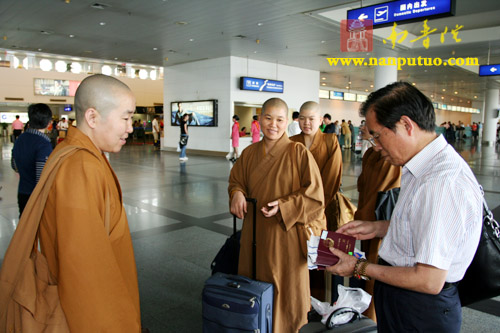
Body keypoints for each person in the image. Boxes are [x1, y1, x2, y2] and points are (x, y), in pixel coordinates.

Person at [326, 82, 482, 332]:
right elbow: (423, 223)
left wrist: (357, 266)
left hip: (420, 307)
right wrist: (379, 228)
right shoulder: (419, 165)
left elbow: (428, 280)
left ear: (407, 125)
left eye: (377, 135)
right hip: (404, 297)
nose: (375, 145)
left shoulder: (440, 183)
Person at [34, 74, 142, 331]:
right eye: (126, 118)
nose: (130, 127)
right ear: (92, 117)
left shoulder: (76, 154)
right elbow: (84, 270)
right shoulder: (80, 166)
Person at [229, 97, 326, 332]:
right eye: (268, 118)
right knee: (254, 282)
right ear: (259, 119)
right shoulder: (250, 152)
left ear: (287, 122)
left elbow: (315, 198)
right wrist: (237, 193)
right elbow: (236, 181)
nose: (273, 124)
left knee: (286, 289)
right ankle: (253, 324)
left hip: (285, 235)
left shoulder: (298, 152)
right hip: (254, 234)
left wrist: (283, 206)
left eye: (279, 119)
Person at [290, 101, 342, 301]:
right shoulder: (292, 141)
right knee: (297, 257)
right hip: (295, 210)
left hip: (322, 210)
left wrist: (314, 208)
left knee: (319, 258)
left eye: (311, 118)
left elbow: (331, 180)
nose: (306, 123)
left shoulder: (331, 141)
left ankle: (318, 300)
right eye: (302, 118)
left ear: (320, 120)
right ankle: (297, 298)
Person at [353, 145, 401, 320]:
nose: (364, 128)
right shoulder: (370, 154)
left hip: (378, 221)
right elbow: (362, 185)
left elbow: (382, 193)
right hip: (368, 221)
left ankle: (373, 317)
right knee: (367, 269)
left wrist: (363, 217)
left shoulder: (391, 159)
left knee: (375, 268)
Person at [11, 104, 53, 216]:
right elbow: (41, 177)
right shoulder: (44, 144)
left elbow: (14, 166)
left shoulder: (20, 139)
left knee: (24, 227)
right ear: (48, 122)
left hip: (22, 192)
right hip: (36, 196)